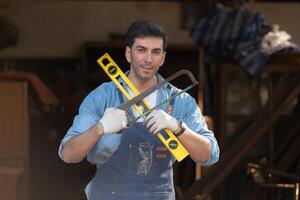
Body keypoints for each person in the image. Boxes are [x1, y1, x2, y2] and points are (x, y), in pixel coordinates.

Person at [58, 20, 219, 200]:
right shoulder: (103, 96)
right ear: (129, 53)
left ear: (163, 58)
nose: (148, 59)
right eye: (141, 50)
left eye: (155, 52)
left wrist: (178, 127)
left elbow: (209, 155)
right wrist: (100, 128)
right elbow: (68, 154)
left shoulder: (180, 101)